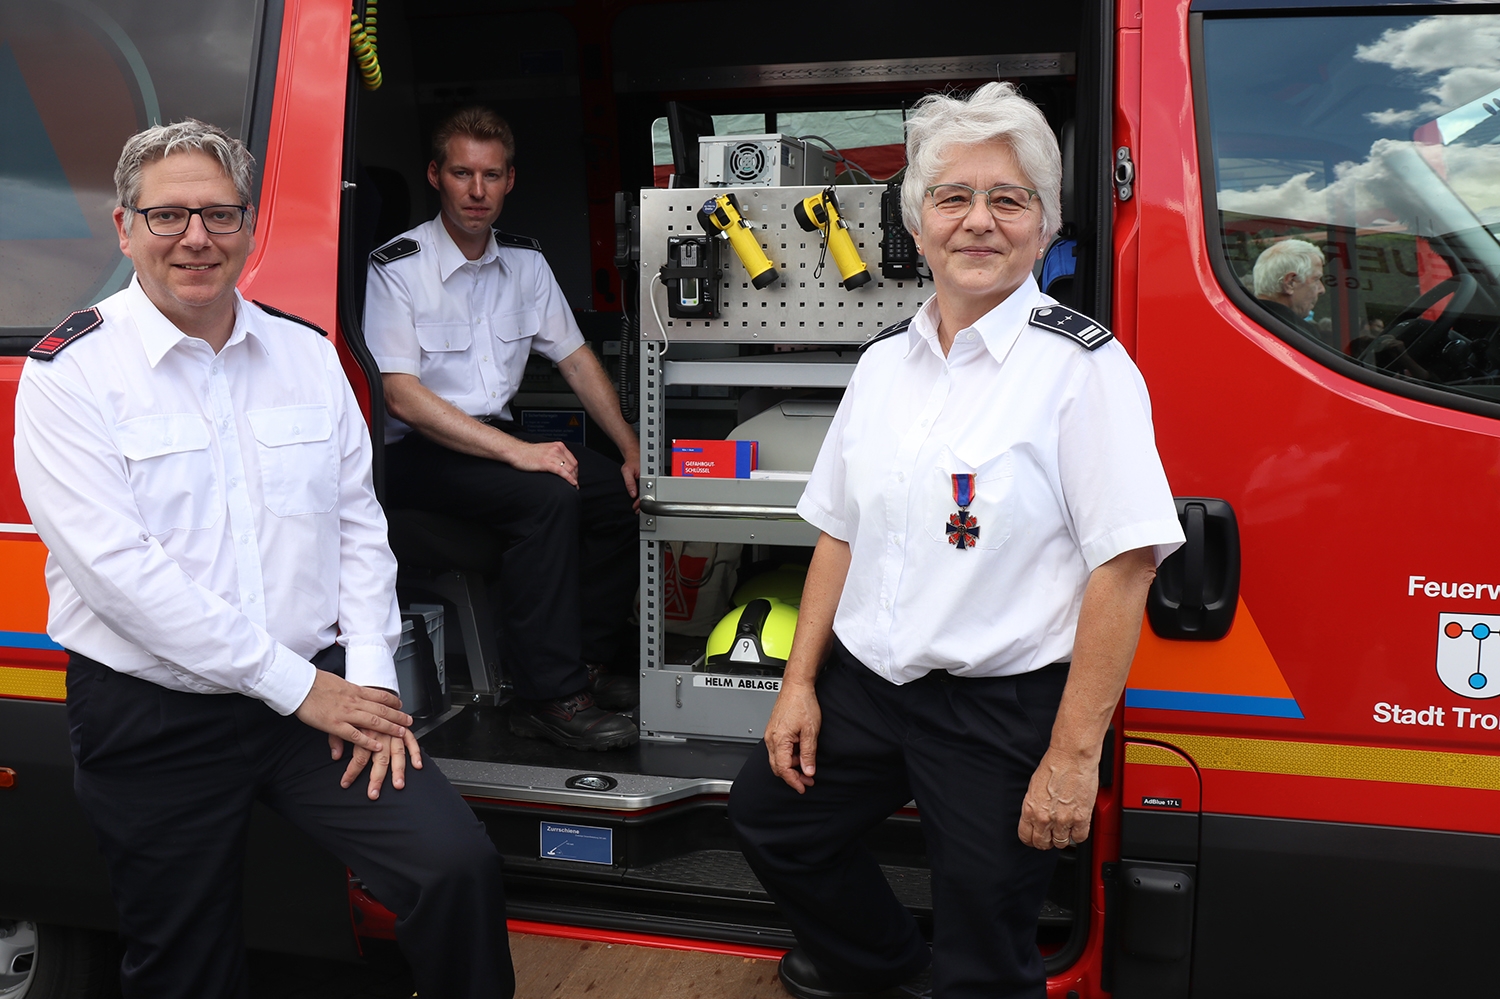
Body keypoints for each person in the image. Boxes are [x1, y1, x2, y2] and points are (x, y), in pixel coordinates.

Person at [13, 120, 513, 999]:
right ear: (124, 228)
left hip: (317, 698)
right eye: (168, 216)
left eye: (219, 214)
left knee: (453, 866)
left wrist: (369, 676)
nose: (197, 239)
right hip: (153, 714)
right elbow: (121, 576)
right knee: (184, 962)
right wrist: (303, 688)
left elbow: (358, 524)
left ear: (250, 227)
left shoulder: (308, 356)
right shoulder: (70, 375)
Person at [728, 83, 1185, 999]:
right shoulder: (882, 362)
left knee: (986, 947)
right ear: (920, 220)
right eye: (954, 197)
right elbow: (837, 533)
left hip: (997, 708)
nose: (979, 221)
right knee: (773, 821)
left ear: (1045, 226)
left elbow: (1126, 565)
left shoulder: (1082, 370)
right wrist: (800, 686)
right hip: (870, 685)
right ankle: (887, 972)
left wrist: (1071, 754)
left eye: (1007, 200)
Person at [363, 107, 639, 752]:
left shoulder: (525, 264)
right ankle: (546, 697)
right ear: (436, 176)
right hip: (419, 453)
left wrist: (629, 448)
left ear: (510, 180)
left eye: (491, 175)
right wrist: (520, 453)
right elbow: (400, 396)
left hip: (491, 442)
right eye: (462, 173)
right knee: (546, 495)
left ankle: (586, 664)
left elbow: (574, 357)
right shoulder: (397, 268)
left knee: (616, 495)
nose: (477, 191)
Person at [1252, 238, 1326, 337]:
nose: (1322, 290)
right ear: (1290, 283)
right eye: (1316, 279)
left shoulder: (1242, 318)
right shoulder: (1300, 335)